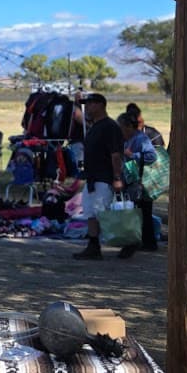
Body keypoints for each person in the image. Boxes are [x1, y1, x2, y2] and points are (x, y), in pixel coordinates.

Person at [74, 93, 125, 261]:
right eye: (85, 104)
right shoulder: (95, 126)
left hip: (104, 176)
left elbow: (115, 154)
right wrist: (76, 104)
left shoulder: (110, 127)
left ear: (101, 105)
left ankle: (127, 241)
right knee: (91, 212)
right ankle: (93, 246)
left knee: (101, 212)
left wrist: (117, 177)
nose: (86, 107)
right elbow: (80, 118)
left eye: (89, 104)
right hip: (92, 177)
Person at [117, 113, 158, 258]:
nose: (119, 130)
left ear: (129, 126)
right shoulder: (126, 139)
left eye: (121, 127)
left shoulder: (141, 139)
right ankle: (143, 242)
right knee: (138, 212)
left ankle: (146, 243)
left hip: (142, 182)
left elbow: (151, 156)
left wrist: (132, 154)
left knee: (143, 213)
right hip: (132, 182)